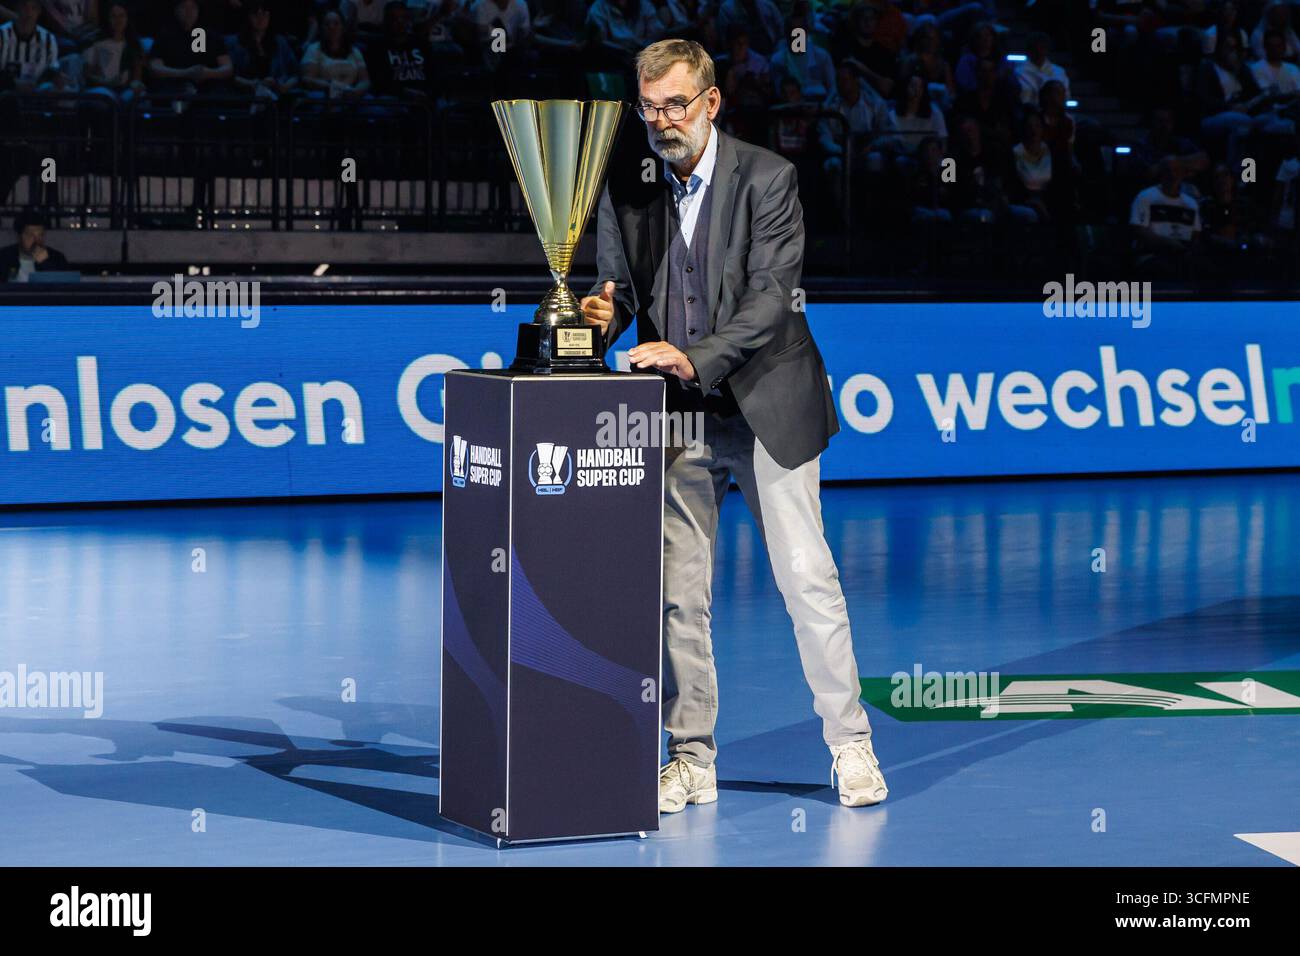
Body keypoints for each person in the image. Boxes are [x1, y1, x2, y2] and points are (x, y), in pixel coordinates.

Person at [581, 38, 889, 812]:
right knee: (678, 593)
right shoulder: (629, 188)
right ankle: (690, 758)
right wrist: (596, 316)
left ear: (711, 103)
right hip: (679, 419)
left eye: (675, 106)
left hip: (767, 403)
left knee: (806, 580)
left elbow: (769, 300)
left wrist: (691, 356)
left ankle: (851, 745)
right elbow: (618, 294)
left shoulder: (768, 179)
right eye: (648, 108)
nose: (661, 122)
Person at [148, 0, 235, 95]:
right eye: (184, 7)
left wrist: (209, 73)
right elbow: (155, 67)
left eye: (193, 7)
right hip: (173, 87)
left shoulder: (212, 36)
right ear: (176, 10)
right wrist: (185, 73)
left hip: (208, 88)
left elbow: (227, 67)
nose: (189, 12)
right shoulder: (164, 36)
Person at [228, 0, 299, 98]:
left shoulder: (280, 42)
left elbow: (295, 74)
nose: (260, 18)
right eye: (256, 14)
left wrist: (283, 86)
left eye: (265, 14)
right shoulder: (234, 43)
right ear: (248, 16)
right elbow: (229, 75)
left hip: (275, 97)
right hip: (244, 98)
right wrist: (251, 83)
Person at [0, 0, 63, 92]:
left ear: (39, 11)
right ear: (17, 9)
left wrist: (56, 78)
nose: (28, 13)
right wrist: (13, 84)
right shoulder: (2, 35)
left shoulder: (48, 38)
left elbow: (52, 68)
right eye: (24, 7)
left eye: (33, 8)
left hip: (37, 94)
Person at [0, 211, 71, 282]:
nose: (36, 240)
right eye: (30, 235)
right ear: (19, 236)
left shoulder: (57, 258)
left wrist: (45, 262)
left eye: (40, 235)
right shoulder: (4, 257)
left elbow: (63, 284)